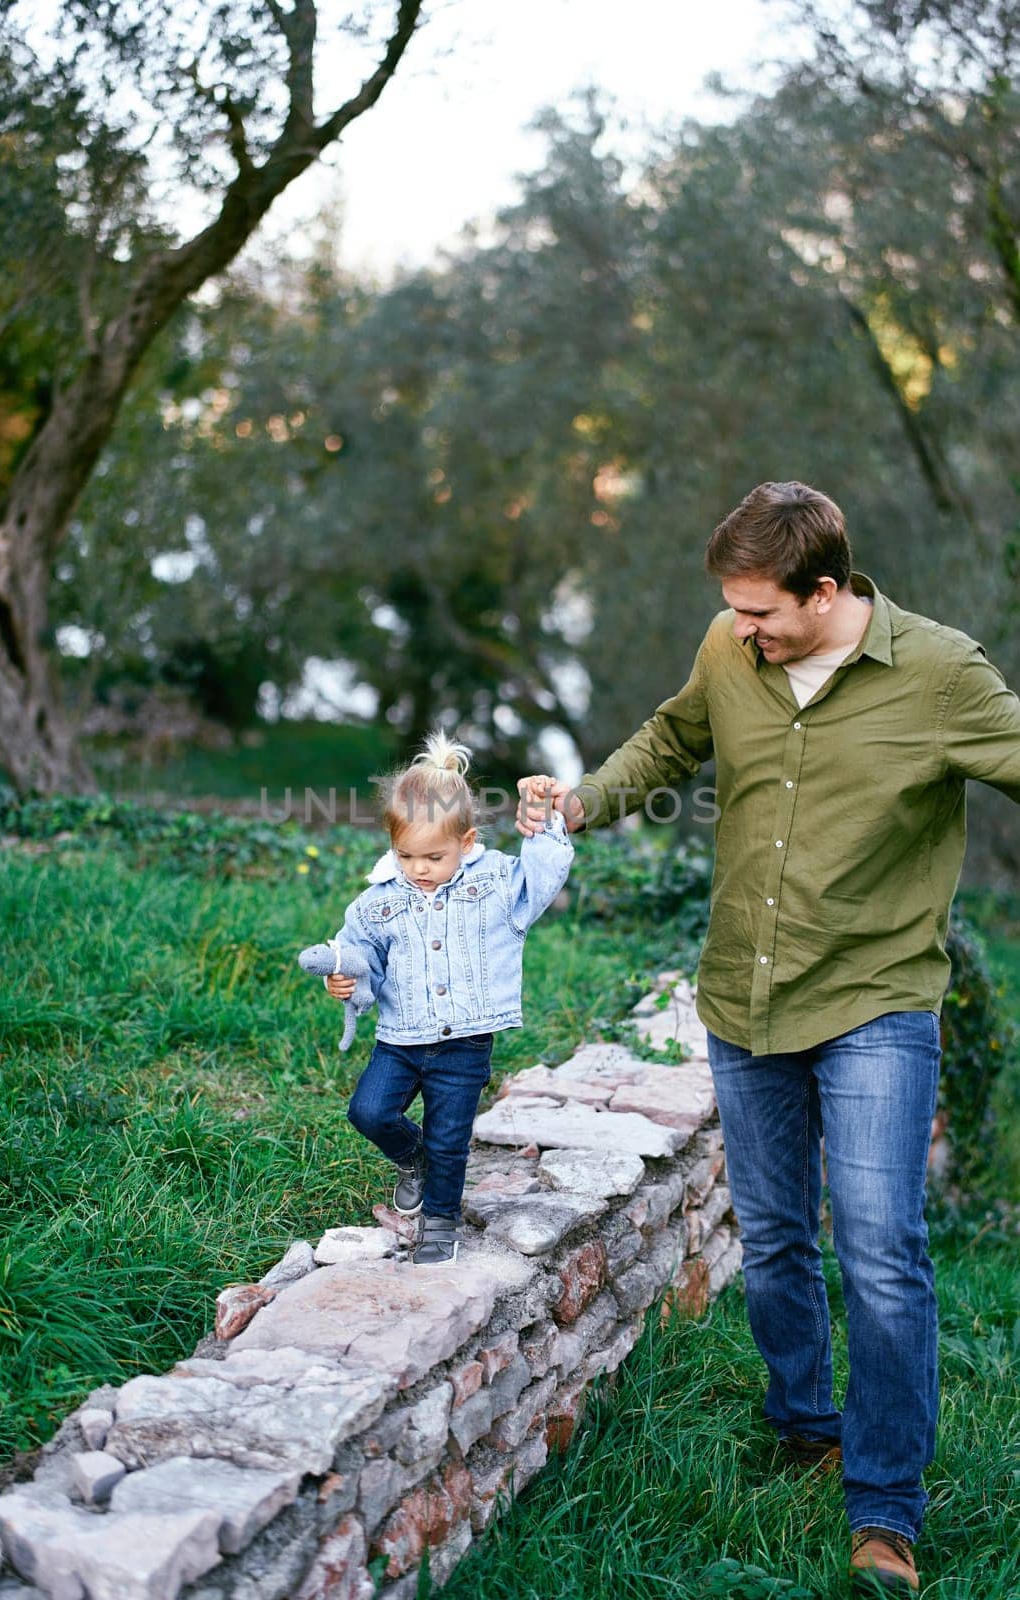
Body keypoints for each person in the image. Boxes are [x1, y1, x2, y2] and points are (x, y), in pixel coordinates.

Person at [517, 481, 1020, 1596]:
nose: (739, 632)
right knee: (778, 1238)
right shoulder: (727, 644)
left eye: (758, 613)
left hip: (876, 1001)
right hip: (744, 999)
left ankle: (883, 1507)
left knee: (880, 1251)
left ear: (825, 591)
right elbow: (670, 736)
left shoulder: (940, 676)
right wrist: (583, 802)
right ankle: (805, 1423)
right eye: (733, 612)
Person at [321, 730, 572, 1265]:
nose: (418, 868)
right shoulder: (380, 899)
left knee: (451, 1135)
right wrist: (343, 977)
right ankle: (413, 1158)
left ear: (466, 840)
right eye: (405, 855)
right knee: (368, 1110)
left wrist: (541, 816)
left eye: (433, 856)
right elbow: (356, 951)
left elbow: (543, 876)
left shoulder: (497, 884)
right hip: (400, 1036)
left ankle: (440, 1221)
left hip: (464, 1041)